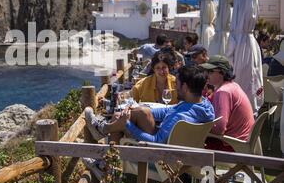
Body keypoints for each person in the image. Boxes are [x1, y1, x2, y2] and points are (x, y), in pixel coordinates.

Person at [86, 65, 215, 144]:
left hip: (160, 157)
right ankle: (103, 130)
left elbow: (156, 142)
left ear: (185, 87)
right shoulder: (204, 106)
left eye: (177, 84)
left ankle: (108, 162)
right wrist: (135, 109)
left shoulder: (180, 118)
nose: (175, 87)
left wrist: (127, 124)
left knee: (120, 119)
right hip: (184, 151)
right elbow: (167, 110)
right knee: (140, 112)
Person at [199, 55, 255, 152]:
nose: (207, 74)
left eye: (211, 71)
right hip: (242, 142)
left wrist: (199, 126)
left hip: (232, 145)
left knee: (192, 141)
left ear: (222, 72)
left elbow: (219, 129)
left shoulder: (223, 92)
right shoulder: (232, 85)